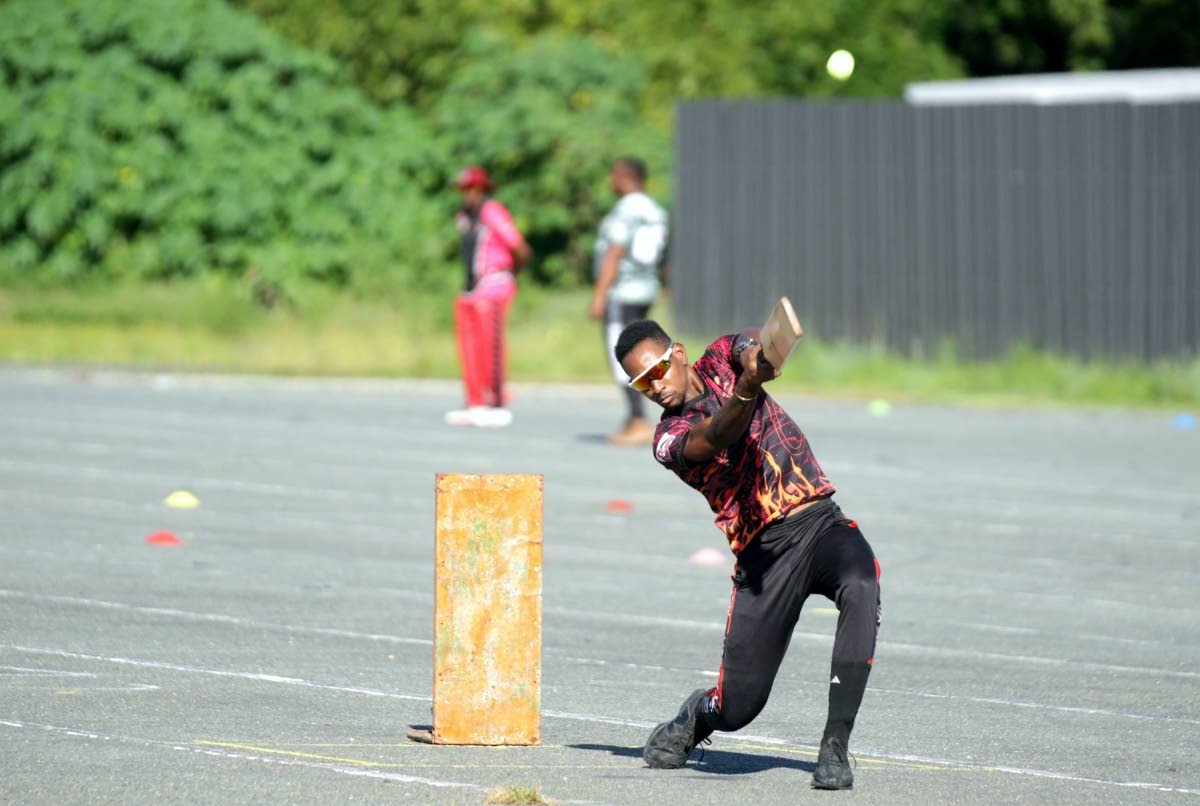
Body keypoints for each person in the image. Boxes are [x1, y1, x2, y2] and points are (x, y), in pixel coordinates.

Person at [613, 319, 882, 790]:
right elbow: (716, 436)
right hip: (765, 559)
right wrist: (748, 387)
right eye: (641, 383)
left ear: (677, 353)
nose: (653, 387)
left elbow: (750, 346)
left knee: (862, 584)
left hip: (820, 523)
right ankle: (700, 713)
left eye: (656, 371)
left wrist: (760, 356)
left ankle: (835, 746)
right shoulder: (668, 437)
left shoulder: (719, 357)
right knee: (739, 709)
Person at [590, 157, 669, 446]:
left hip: (622, 293)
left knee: (621, 356)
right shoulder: (654, 210)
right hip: (646, 290)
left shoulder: (625, 210)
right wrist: (665, 283)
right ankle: (642, 416)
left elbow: (615, 250)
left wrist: (599, 294)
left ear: (624, 175)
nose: (611, 180)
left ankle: (639, 418)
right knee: (648, 353)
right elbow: (664, 253)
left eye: (613, 174)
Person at [445, 166, 531, 428]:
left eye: (472, 189)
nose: (468, 195)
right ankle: (474, 399)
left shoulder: (492, 211)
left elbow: (519, 247)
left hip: (493, 282)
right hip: (472, 285)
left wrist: (509, 273)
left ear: (482, 189)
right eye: (464, 190)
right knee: (469, 343)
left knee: (488, 344)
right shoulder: (463, 216)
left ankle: (493, 399)